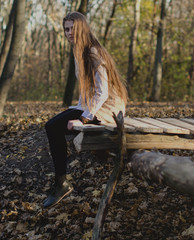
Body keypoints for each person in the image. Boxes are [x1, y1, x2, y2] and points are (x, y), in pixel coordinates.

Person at [43, 11, 128, 208]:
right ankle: (61, 183)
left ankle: (61, 183)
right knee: (52, 125)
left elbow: (103, 92)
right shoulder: (79, 51)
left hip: (109, 108)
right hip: (93, 105)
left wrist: (83, 119)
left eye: (73, 28)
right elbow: (85, 90)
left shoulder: (93, 52)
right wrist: (78, 109)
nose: (69, 33)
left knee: (53, 127)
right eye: (66, 29)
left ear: (82, 28)